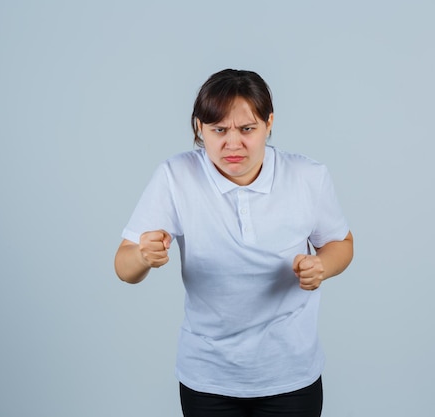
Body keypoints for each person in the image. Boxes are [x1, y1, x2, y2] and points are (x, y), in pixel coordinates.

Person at [114, 69, 353, 417]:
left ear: (269, 124)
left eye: (247, 129)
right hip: (208, 376)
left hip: (291, 374)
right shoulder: (175, 176)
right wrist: (143, 255)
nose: (233, 143)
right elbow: (124, 267)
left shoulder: (307, 176)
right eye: (219, 130)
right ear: (200, 128)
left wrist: (323, 266)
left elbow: (341, 243)